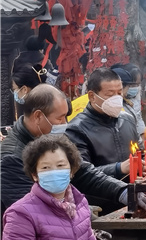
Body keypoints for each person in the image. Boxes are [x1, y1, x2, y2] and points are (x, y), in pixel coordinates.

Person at [0, 85, 138, 216]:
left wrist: (122, 191)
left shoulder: (54, 140)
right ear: (38, 116)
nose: (64, 123)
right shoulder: (11, 157)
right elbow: (29, 210)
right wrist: (76, 211)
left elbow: (83, 171)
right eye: (60, 118)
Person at [0, 135, 113, 240]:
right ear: (34, 174)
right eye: (45, 168)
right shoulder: (21, 213)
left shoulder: (80, 204)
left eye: (60, 165)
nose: (54, 172)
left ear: (72, 170)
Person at [65, 68, 139, 183]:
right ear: (92, 96)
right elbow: (80, 173)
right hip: (100, 194)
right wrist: (118, 169)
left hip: (133, 190)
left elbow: (138, 153)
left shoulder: (127, 120)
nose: (117, 99)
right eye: (110, 94)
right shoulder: (76, 129)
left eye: (119, 93)